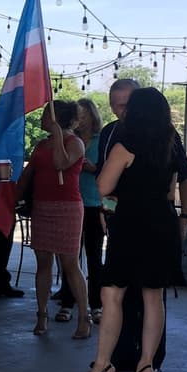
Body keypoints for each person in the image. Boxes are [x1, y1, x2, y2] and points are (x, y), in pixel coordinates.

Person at [80, 88, 183, 372]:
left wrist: (114, 199)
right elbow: (169, 192)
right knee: (153, 297)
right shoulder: (170, 145)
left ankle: (103, 365)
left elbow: (103, 186)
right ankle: (146, 365)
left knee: (113, 294)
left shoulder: (125, 145)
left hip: (130, 225)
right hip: (162, 224)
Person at [19, 101, 90, 339]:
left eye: (45, 115)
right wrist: (15, 196)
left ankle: (83, 317)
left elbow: (61, 163)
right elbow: (29, 173)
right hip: (42, 205)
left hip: (68, 207)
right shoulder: (40, 145)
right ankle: (41, 314)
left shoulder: (75, 143)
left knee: (70, 263)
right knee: (43, 262)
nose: (40, 118)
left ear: (57, 118)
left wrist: (59, 134)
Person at [74, 98, 105, 322]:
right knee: (70, 256)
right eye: (78, 116)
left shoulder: (101, 139)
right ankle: (68, 299)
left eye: (84, 115)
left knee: (94, 256)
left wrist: (91, 167)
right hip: (73, 202)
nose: (81, 120)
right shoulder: (70, 139)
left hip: (94, 203)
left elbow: (106, 168)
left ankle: (96, 303)